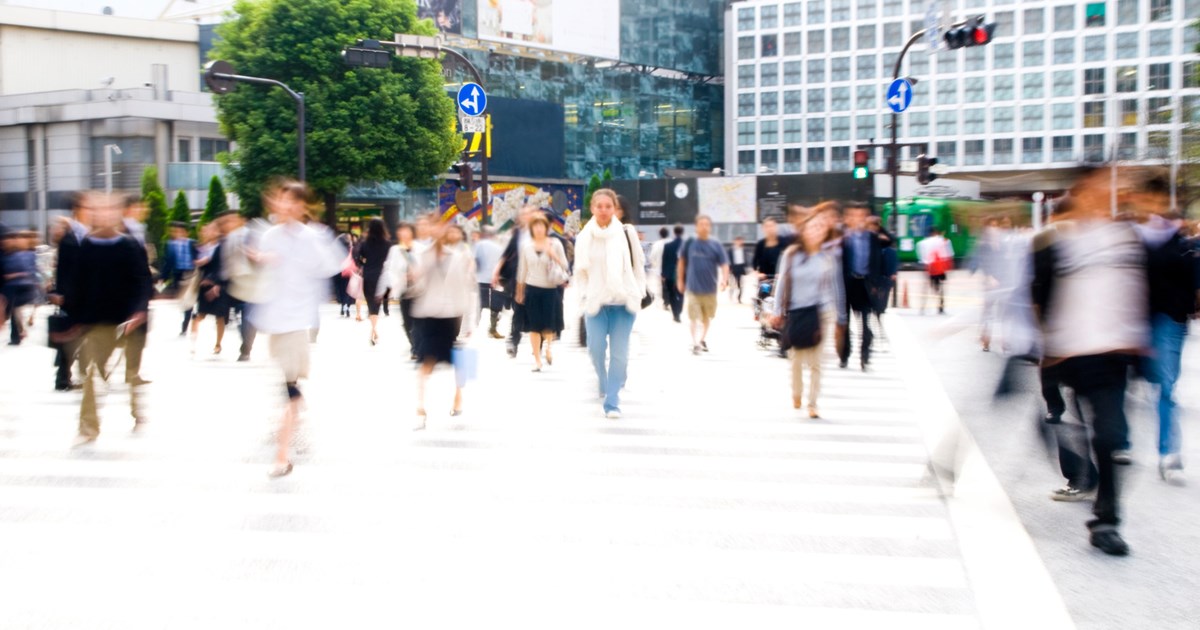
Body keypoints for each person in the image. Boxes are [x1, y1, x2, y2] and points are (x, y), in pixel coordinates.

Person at [1031, 167, 1148, 556]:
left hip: (1112, 357)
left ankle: (1106, 522)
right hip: (1069, 353)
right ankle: (1077, 463)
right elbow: (1039, 297)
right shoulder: (1056, 243)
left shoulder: (1124, 238)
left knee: (1111, 435)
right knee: (1068, 422)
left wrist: (1139, 341)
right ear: (1081, 191)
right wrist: (1047, 349)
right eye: (1100, 186)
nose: (1109, 193)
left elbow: (1137, 291)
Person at [250, 180, 345, 477]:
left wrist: (309, 258)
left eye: (293, 201)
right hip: (274, 320)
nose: (285, 206)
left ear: (304, 206)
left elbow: (332, 266)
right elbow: (263, 271)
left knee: (289, 387)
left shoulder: (313, 236)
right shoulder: (269, 235)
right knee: (287, 382)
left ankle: (282, 456)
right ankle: (298, 420)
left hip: (297, 320)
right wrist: (263, 260)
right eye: (282, 199)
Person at [1131, 171, 1198, 485]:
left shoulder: (1178, 241)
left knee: (1166, 387)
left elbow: (1191, 281)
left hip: (1167, 321)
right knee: (1125, 385)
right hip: (1130, 322)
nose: (1153, 205)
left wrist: (1185, 310)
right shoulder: (1130, 237)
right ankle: (1121, 440)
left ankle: (1169, 453)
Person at [69, 194, 152, 446]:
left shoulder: (129, 244)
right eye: (98, 210)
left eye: (109, 209)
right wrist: (76, 320)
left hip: (130, 321)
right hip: (97, 322)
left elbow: (143, 281)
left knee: (131, 371)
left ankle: (136, 411)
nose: (104, 214)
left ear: (117, 213)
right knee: (93, 374)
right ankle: (88, 427)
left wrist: (139, 311)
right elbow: (78, 286)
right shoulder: (86, 245)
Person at [574, 188, 647, 419]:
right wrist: (585, 295)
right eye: (599, 206)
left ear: (615, 209)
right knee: (595, 350)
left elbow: (638, 265)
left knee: (620, 354)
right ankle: (604, 381)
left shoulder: (626, 232)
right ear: (592, 208)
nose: (604, 210)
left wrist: (638, 291)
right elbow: (581, 273)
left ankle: (612, 401)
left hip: (622, 303)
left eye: (608, 206)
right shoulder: (584, 236)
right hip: (596, 303)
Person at [771, 209, 845, 418]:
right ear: (803, 230)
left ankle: (812, 403)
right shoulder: (792, 254)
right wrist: (777, 310)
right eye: (812, 227)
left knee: (816, 362)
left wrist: (841, 315)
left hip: (821, 313)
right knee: (795, 358)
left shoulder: (828, 257)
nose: (816, 231)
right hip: (796, 312)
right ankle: (797, 392)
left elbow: (836, 286)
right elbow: (782, 283)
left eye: (820, 228)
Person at [410, 222, 478, 429]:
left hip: (451, 315)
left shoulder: (458, 256)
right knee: (426, 361)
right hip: (429, 314)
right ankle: (420, 406)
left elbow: (467, 288)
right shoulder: (422, 255)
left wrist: (469, 320)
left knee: (457, 359)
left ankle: (459, 395)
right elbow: (417, 286)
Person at [49, 192, 91, 391]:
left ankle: (65, 375)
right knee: (73, 335)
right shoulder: (69, 236)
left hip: (81, 294)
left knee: (77, 335)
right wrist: (59, 292)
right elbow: (63, 269)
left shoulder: (81, 233)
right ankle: (63, 378)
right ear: (78, 209)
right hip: (72, 296)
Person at [516, 213, 568, 372]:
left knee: (549, 326)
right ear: (531, 228)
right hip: (532, 289)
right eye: (535, 226)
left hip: (550, 290)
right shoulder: (526, 246)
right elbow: (522, 270)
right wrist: (520, 292)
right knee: (533, 326)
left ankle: (548, 349)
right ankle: (537, 361)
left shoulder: (555, 244)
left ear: (546, 227)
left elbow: (565, 265)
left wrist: (553, 255)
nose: (538, 229)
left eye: (541, 225)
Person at [838, 203, 885, 371]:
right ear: (848, 218)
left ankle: (864, 356)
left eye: (861, 216)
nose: (858, 220)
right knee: (845, 324)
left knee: (865, 324)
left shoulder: (873, 238)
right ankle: (844, 356)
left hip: (865, 285)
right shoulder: (843, 238)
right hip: (847, 285)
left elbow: (878, 262)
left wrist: (875, 284)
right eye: (854, 216)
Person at [677, 215, 729, 355]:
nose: (704, 227)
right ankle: (695, 343)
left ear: (710, 227)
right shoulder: (690, 242)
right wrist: (680, 281)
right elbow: (682, 261)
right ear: (696, 226)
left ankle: (702, 339)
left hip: (710, 288)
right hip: (693, 287)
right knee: (693, 316)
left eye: (707, 224)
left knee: (706, 317)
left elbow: (724, 264)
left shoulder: (715, 244)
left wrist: (725, 279)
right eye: (701, 224)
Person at [117, 194, 153, 387]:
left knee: (138, 334)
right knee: (125, 332)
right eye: (139, 207)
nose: (143, 211)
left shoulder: (138, 230)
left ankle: (132, 372)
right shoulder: (122, 230)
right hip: (127, 290)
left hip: (140, 289)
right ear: (128, 209)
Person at [221, 210, 266, 361]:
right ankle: (246, 343)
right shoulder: (229, 237)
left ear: (241, 219)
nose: (229, 223)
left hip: (251, 281)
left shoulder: (252, 233)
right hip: (234, 282)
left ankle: (246, 348)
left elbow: (260, 256)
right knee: (241, 316)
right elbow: (226, 260)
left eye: (232, 219)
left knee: (247, 315)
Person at [494, 204, 535, 357]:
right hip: (518, 277)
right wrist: (496, 271)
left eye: (529, 214)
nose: (526, 217)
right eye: (524, 214)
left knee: (535, 311)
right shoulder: (518, 233)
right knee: (518, 310)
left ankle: (538, 341)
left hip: (537, 278)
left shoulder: (540, 231)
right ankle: (514, 341)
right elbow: (507, 253)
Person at [190, 222, 230, 354]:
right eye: (207, 230)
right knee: (199, 315)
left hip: (219, 286)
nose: (209, 232)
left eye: (212, 229)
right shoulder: (201, 248)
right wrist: (200, 263)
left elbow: (225, 267)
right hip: (204, 287)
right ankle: (193, 342)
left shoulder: (223, 246)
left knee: (220, 317)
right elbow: (197, 266)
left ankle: (218, 344)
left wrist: (216, 282)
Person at [354, 218, 392, 346]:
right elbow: (390, 260)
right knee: (377, 305)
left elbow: (357, 258)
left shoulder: (365, 243)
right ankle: (373, 330)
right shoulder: (387, 244)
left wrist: (363, 264)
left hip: (368, 276)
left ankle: (374, 329)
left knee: (371, 304)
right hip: (381, 276)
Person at [159, 221, 198, 335]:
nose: (176, 233)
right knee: (183, 299)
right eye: (174, 231)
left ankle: (185, 325)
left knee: (189, 297)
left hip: (192, 273)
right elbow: (168, 262)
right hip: (179, 274)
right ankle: (189, 312)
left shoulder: (193, 243)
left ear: (186, 232)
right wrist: (163, 277)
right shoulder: (170, 245)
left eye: (179, 231)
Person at [2, 231, 38, 345]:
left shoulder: (21, 255)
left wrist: (13, 275)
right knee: (15, 310)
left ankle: (19, 333)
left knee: (15, 310)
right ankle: (19, 332)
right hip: (15, 286)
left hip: (18, 286)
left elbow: (26, 271)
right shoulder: (13, 254)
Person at [473, 224, 506, 338]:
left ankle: (475, 327)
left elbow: (473, 260)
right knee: (496, 304)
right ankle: (492, 329)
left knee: (480, 304)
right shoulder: (499, 247)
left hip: (480, 278)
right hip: (496, 279)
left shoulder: (478, 245)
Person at [917, 227, 955, 315]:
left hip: (928, 267)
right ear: (936, 232)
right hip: (940, 267)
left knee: (926, 287)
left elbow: (921, 257)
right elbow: (950, 254)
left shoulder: (922, 243)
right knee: (941, 287)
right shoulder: (944, 241)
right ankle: (941, 308)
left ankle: (922, 307)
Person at [660, 225, 686, 322]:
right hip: (683, 273)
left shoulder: (668, 246)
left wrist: (663, 274)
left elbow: (664, 260)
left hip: (670, 273)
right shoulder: (686, 245)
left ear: (674, 233)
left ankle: (675, 313)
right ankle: (679, 311)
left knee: (671, 293)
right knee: (681, 293)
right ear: (682, 233)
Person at [648, 227, 670, 303]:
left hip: (659, 269)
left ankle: (664, 301)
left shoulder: (656, 244)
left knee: (662, 286)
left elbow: (652, 257)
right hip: (671, 269)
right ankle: (669, 300)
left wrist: (654, 265)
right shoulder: (671, 242)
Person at [727, 235, 748, 304]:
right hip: (733, 268)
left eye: (741, 241)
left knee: (741, 284)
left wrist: (746, 268)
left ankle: (739, 298)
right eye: (738, 241)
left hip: (741, 268)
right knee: (732, 284)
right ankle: (731, 297)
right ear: (735, 241)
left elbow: (745, 259)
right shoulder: (731, 250)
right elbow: (728, 259)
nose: (740, 242)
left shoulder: (743, 249)